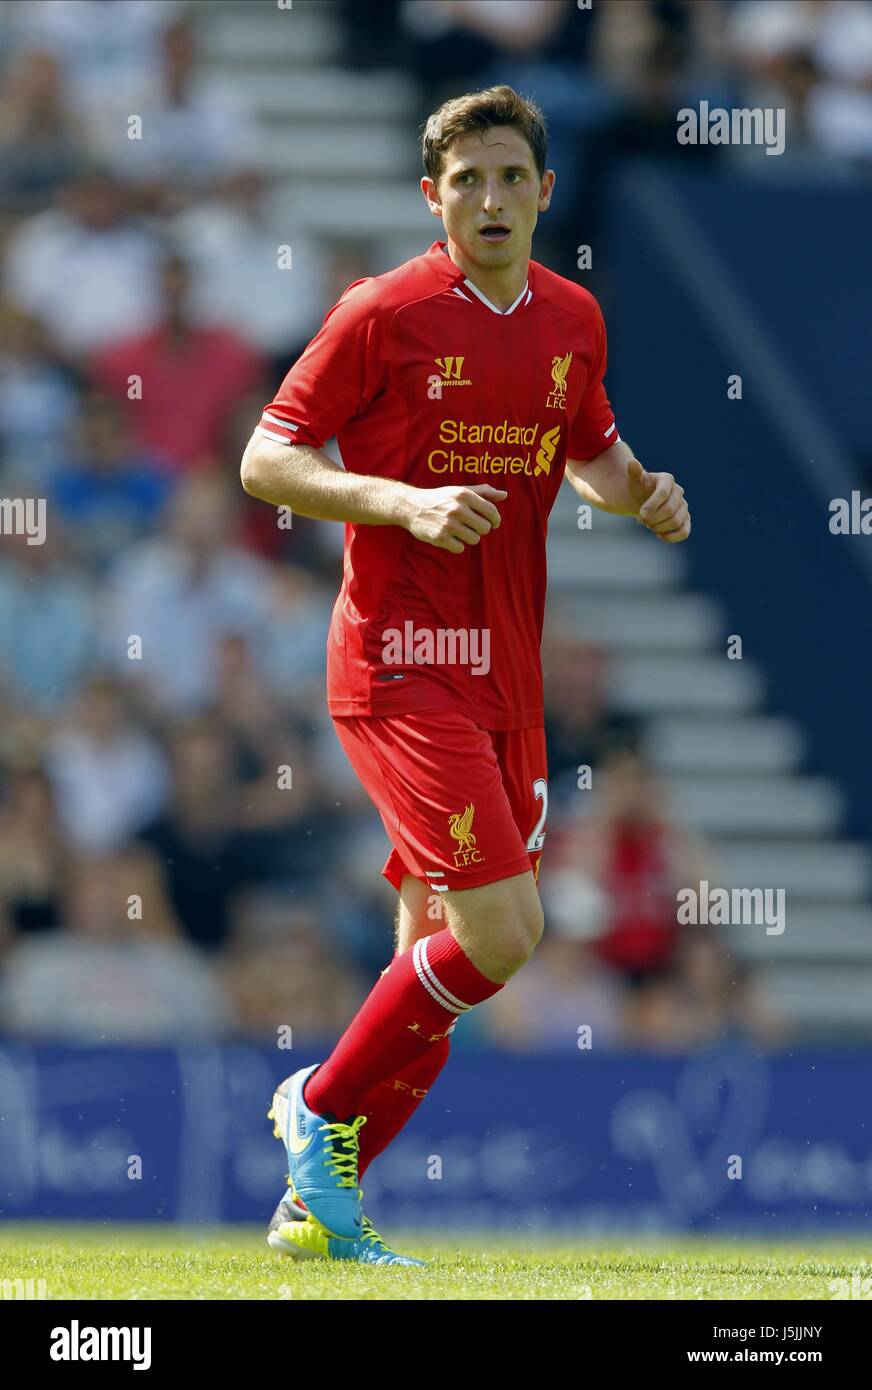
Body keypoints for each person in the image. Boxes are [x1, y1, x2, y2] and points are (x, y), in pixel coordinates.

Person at [240, 85, 691, 1266]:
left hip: (504, 676)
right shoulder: (381, 313)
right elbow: (263, 458)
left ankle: (315, 1208)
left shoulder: (573, 318)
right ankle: (318, 1109)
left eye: (508, 179)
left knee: (429, 961)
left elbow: (589, 452)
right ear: (429, 198)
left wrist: (641, 493)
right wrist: (400, 500)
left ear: (544, 192)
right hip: (399, 662)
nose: (488, 201)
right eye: (464, 182)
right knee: (502, 932)